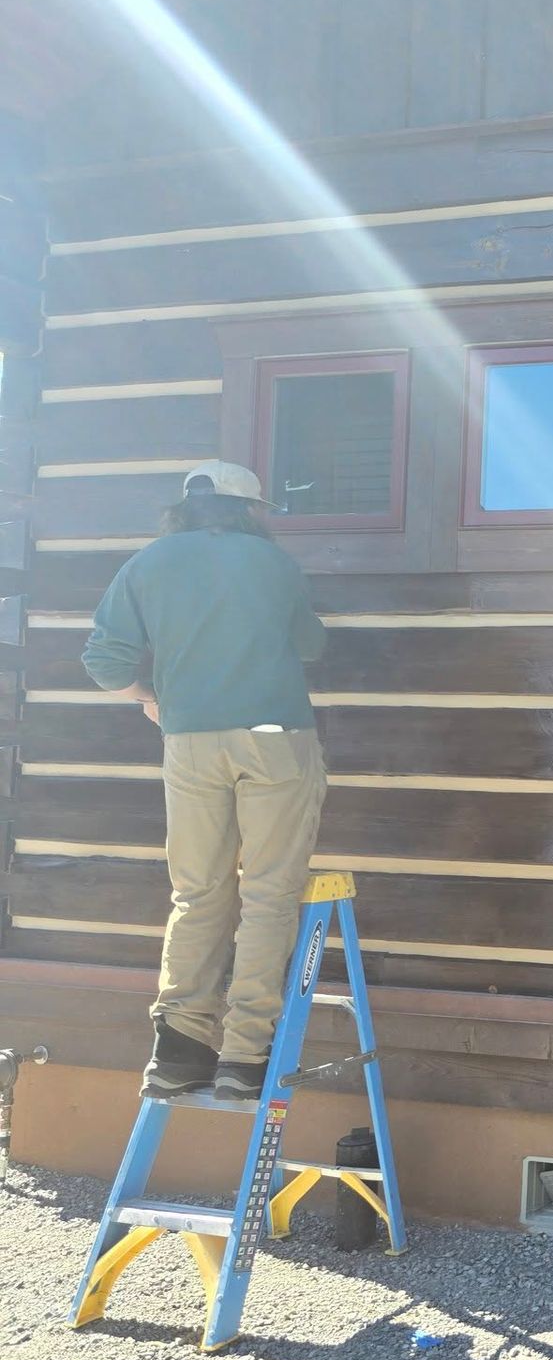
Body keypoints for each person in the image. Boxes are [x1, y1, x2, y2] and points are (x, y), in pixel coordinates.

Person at [81, 460, 328, 1102]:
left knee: (197, 894)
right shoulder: (275, 566)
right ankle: (244, 1059)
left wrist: (149, 697)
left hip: (189, 742)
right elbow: (311, 646)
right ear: (250, 510)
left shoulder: (149, 563)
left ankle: (181, 1052)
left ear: (184, 511)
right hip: (276, 740)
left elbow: (103, 662)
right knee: (269, 896)